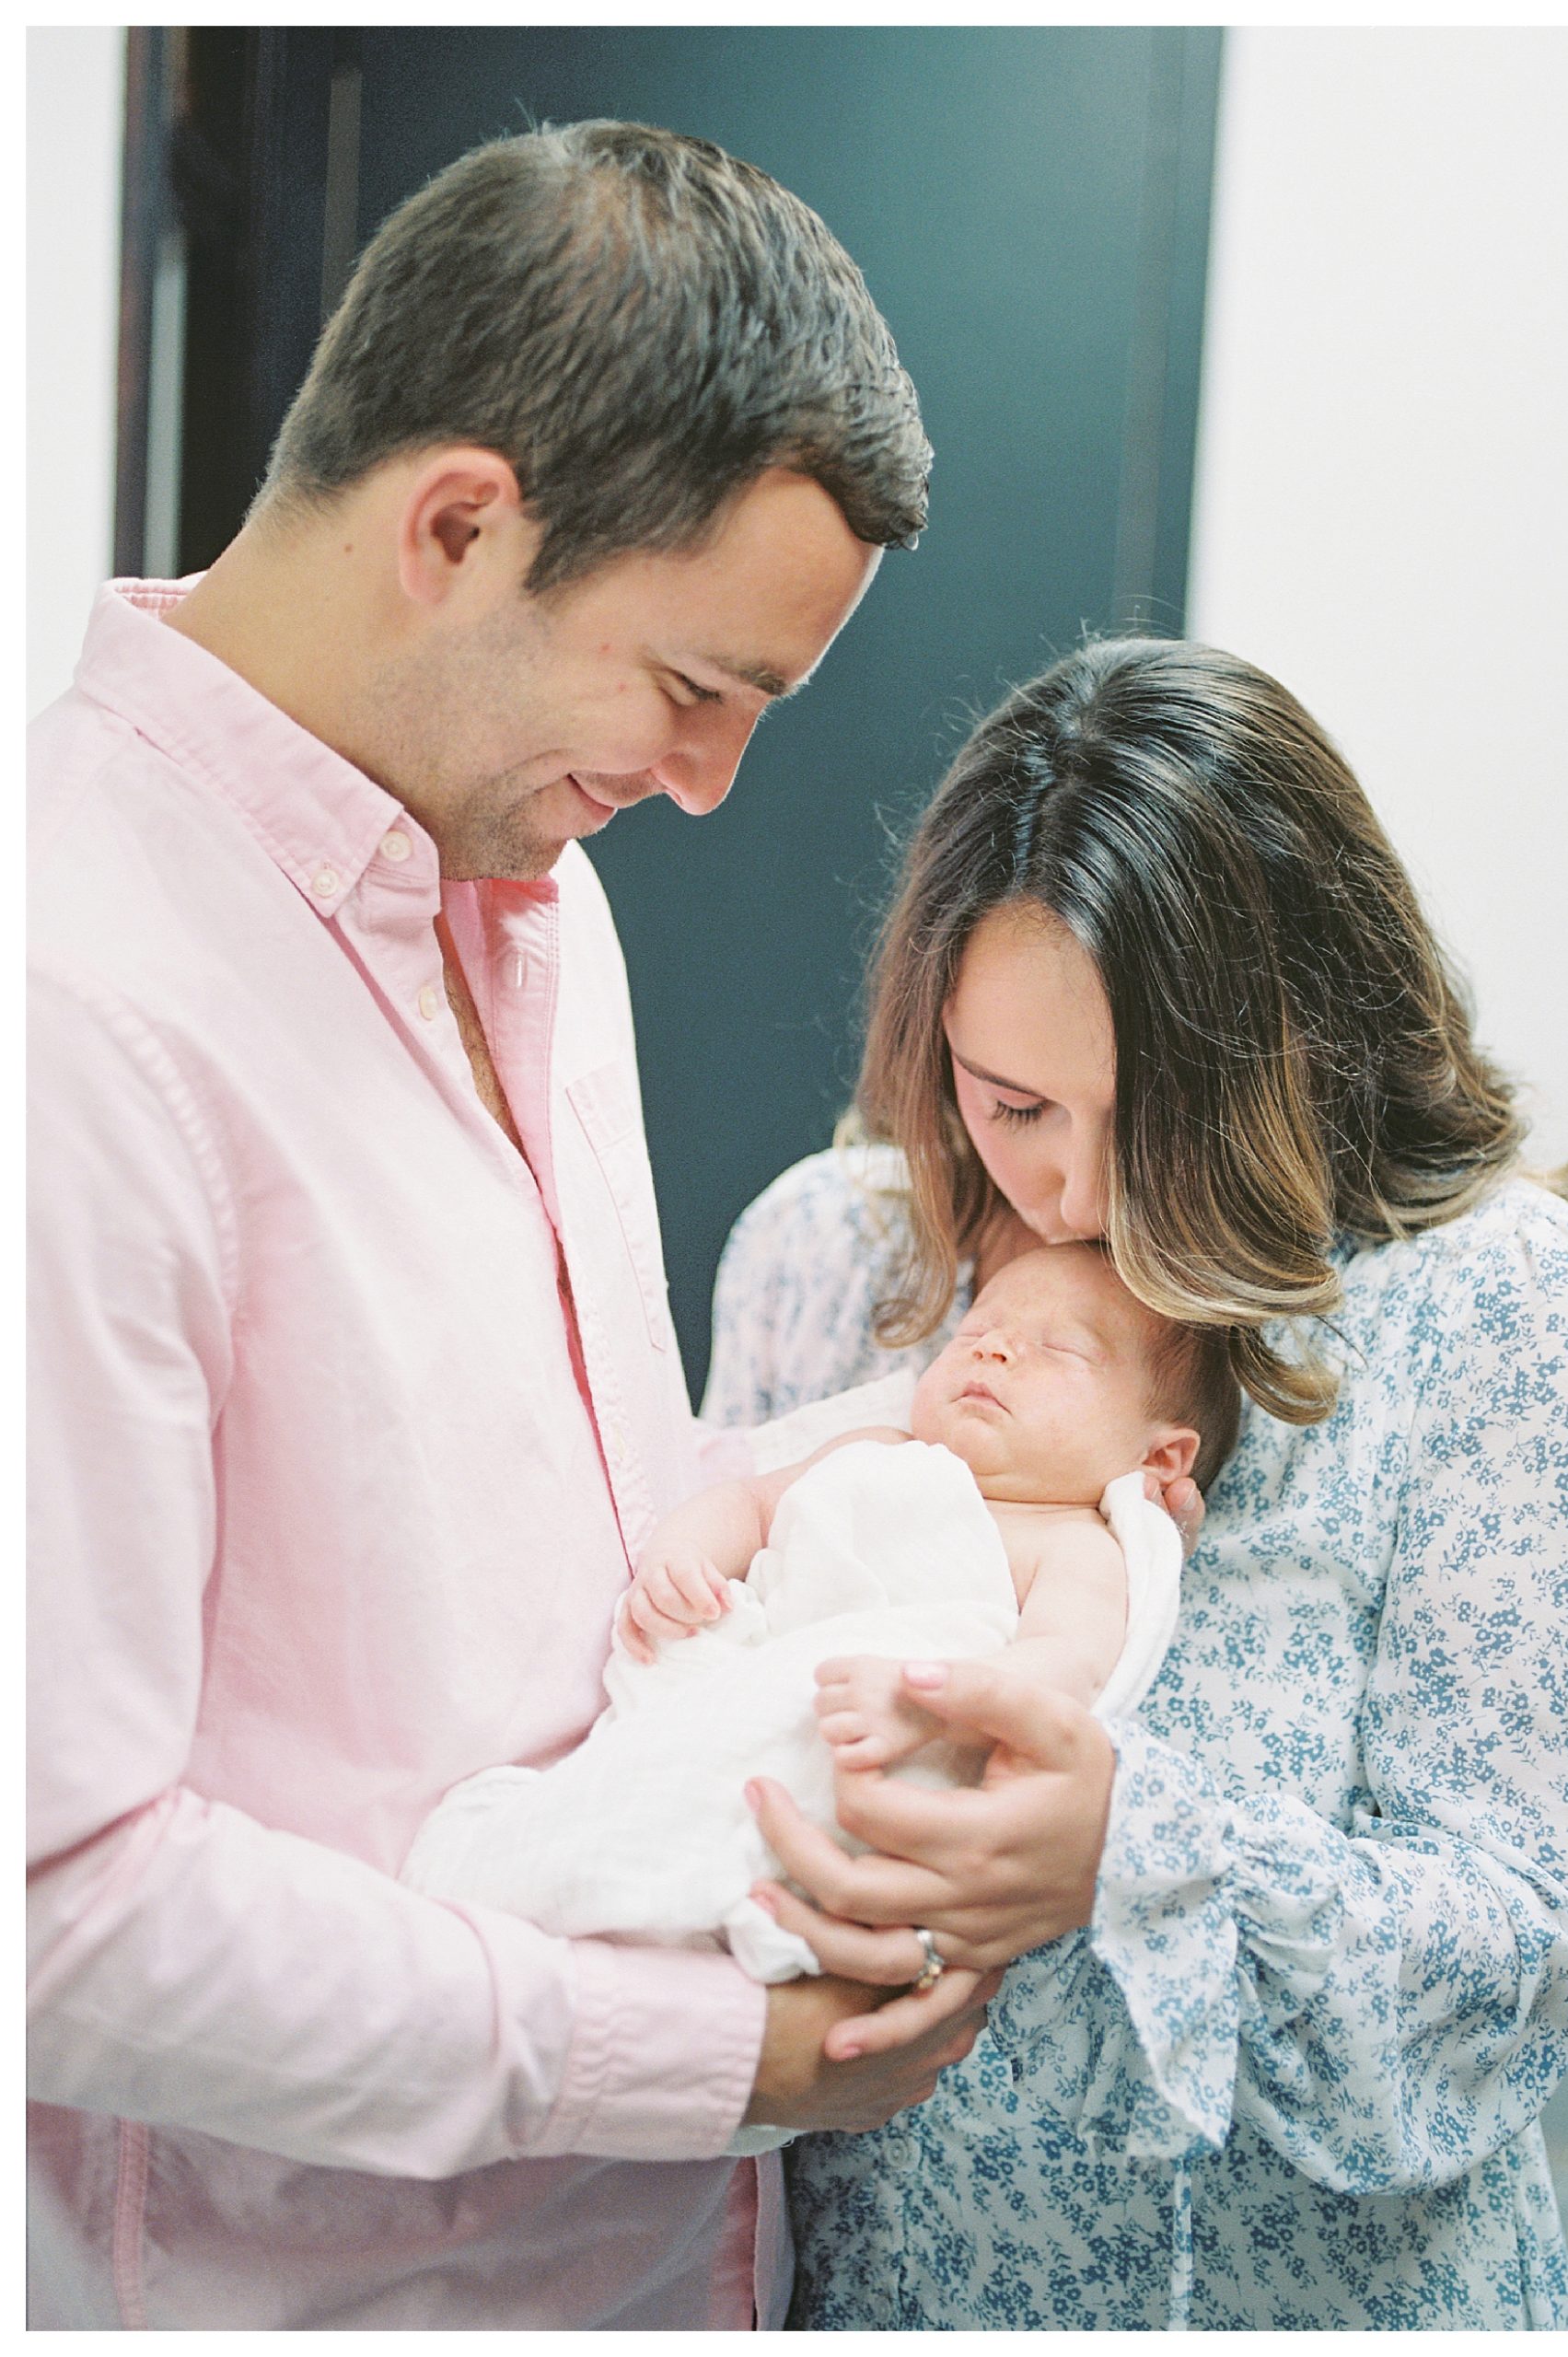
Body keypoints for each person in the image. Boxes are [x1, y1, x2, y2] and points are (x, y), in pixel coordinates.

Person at [27, 119, 1001, 2332]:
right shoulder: (66, 1014)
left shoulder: (534, 901)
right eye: (692, 690)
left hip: (670, 2264)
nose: (708, 787)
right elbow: (50, 1903)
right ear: (458, 524)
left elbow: (564, 1548)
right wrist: (701, 2058)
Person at [702, 636, 1568, 2329]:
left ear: (1310, 1047)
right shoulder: (830, 1256)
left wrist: (1133, 1853)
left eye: (1152, 1110)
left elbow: (1517, 1971)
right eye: (1009, 1101)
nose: (1072, 1188)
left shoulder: (1518, 1319)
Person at [400, 1242, 1238, 1985]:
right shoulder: (873, 1452)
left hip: (865, 1730)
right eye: (974, 1329)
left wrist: (927, 1698)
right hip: (736, 1680)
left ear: (1159, 1455)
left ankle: (564, 1901)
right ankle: (538, 1873)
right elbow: (750, 1504)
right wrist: (682, 1560)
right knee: (628, 1780)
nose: (996, 1346)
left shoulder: (1074, 1544)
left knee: (704, 1829)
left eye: (1059, 1349)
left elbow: (1066, 1666)